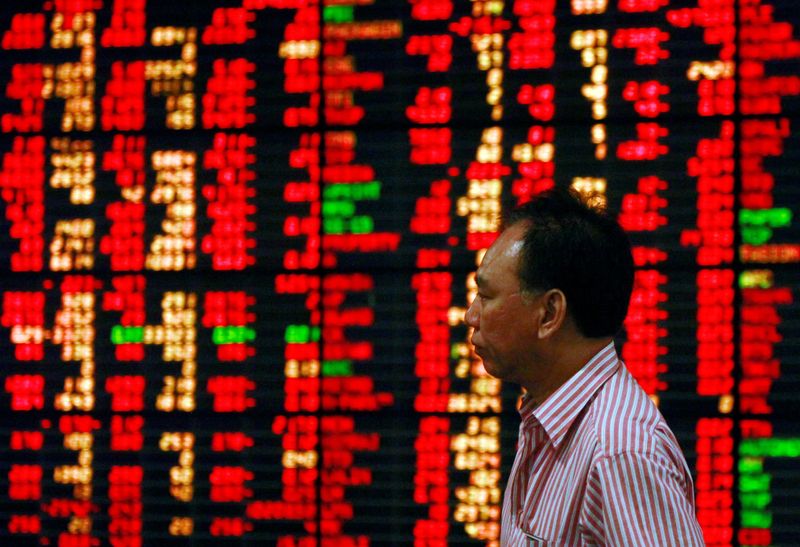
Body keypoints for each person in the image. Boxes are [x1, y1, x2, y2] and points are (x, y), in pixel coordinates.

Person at [465, 188, 704, 546]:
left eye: (485, 296)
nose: (471, 316)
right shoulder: (549, 420)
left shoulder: (621, 451)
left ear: (549, 314)